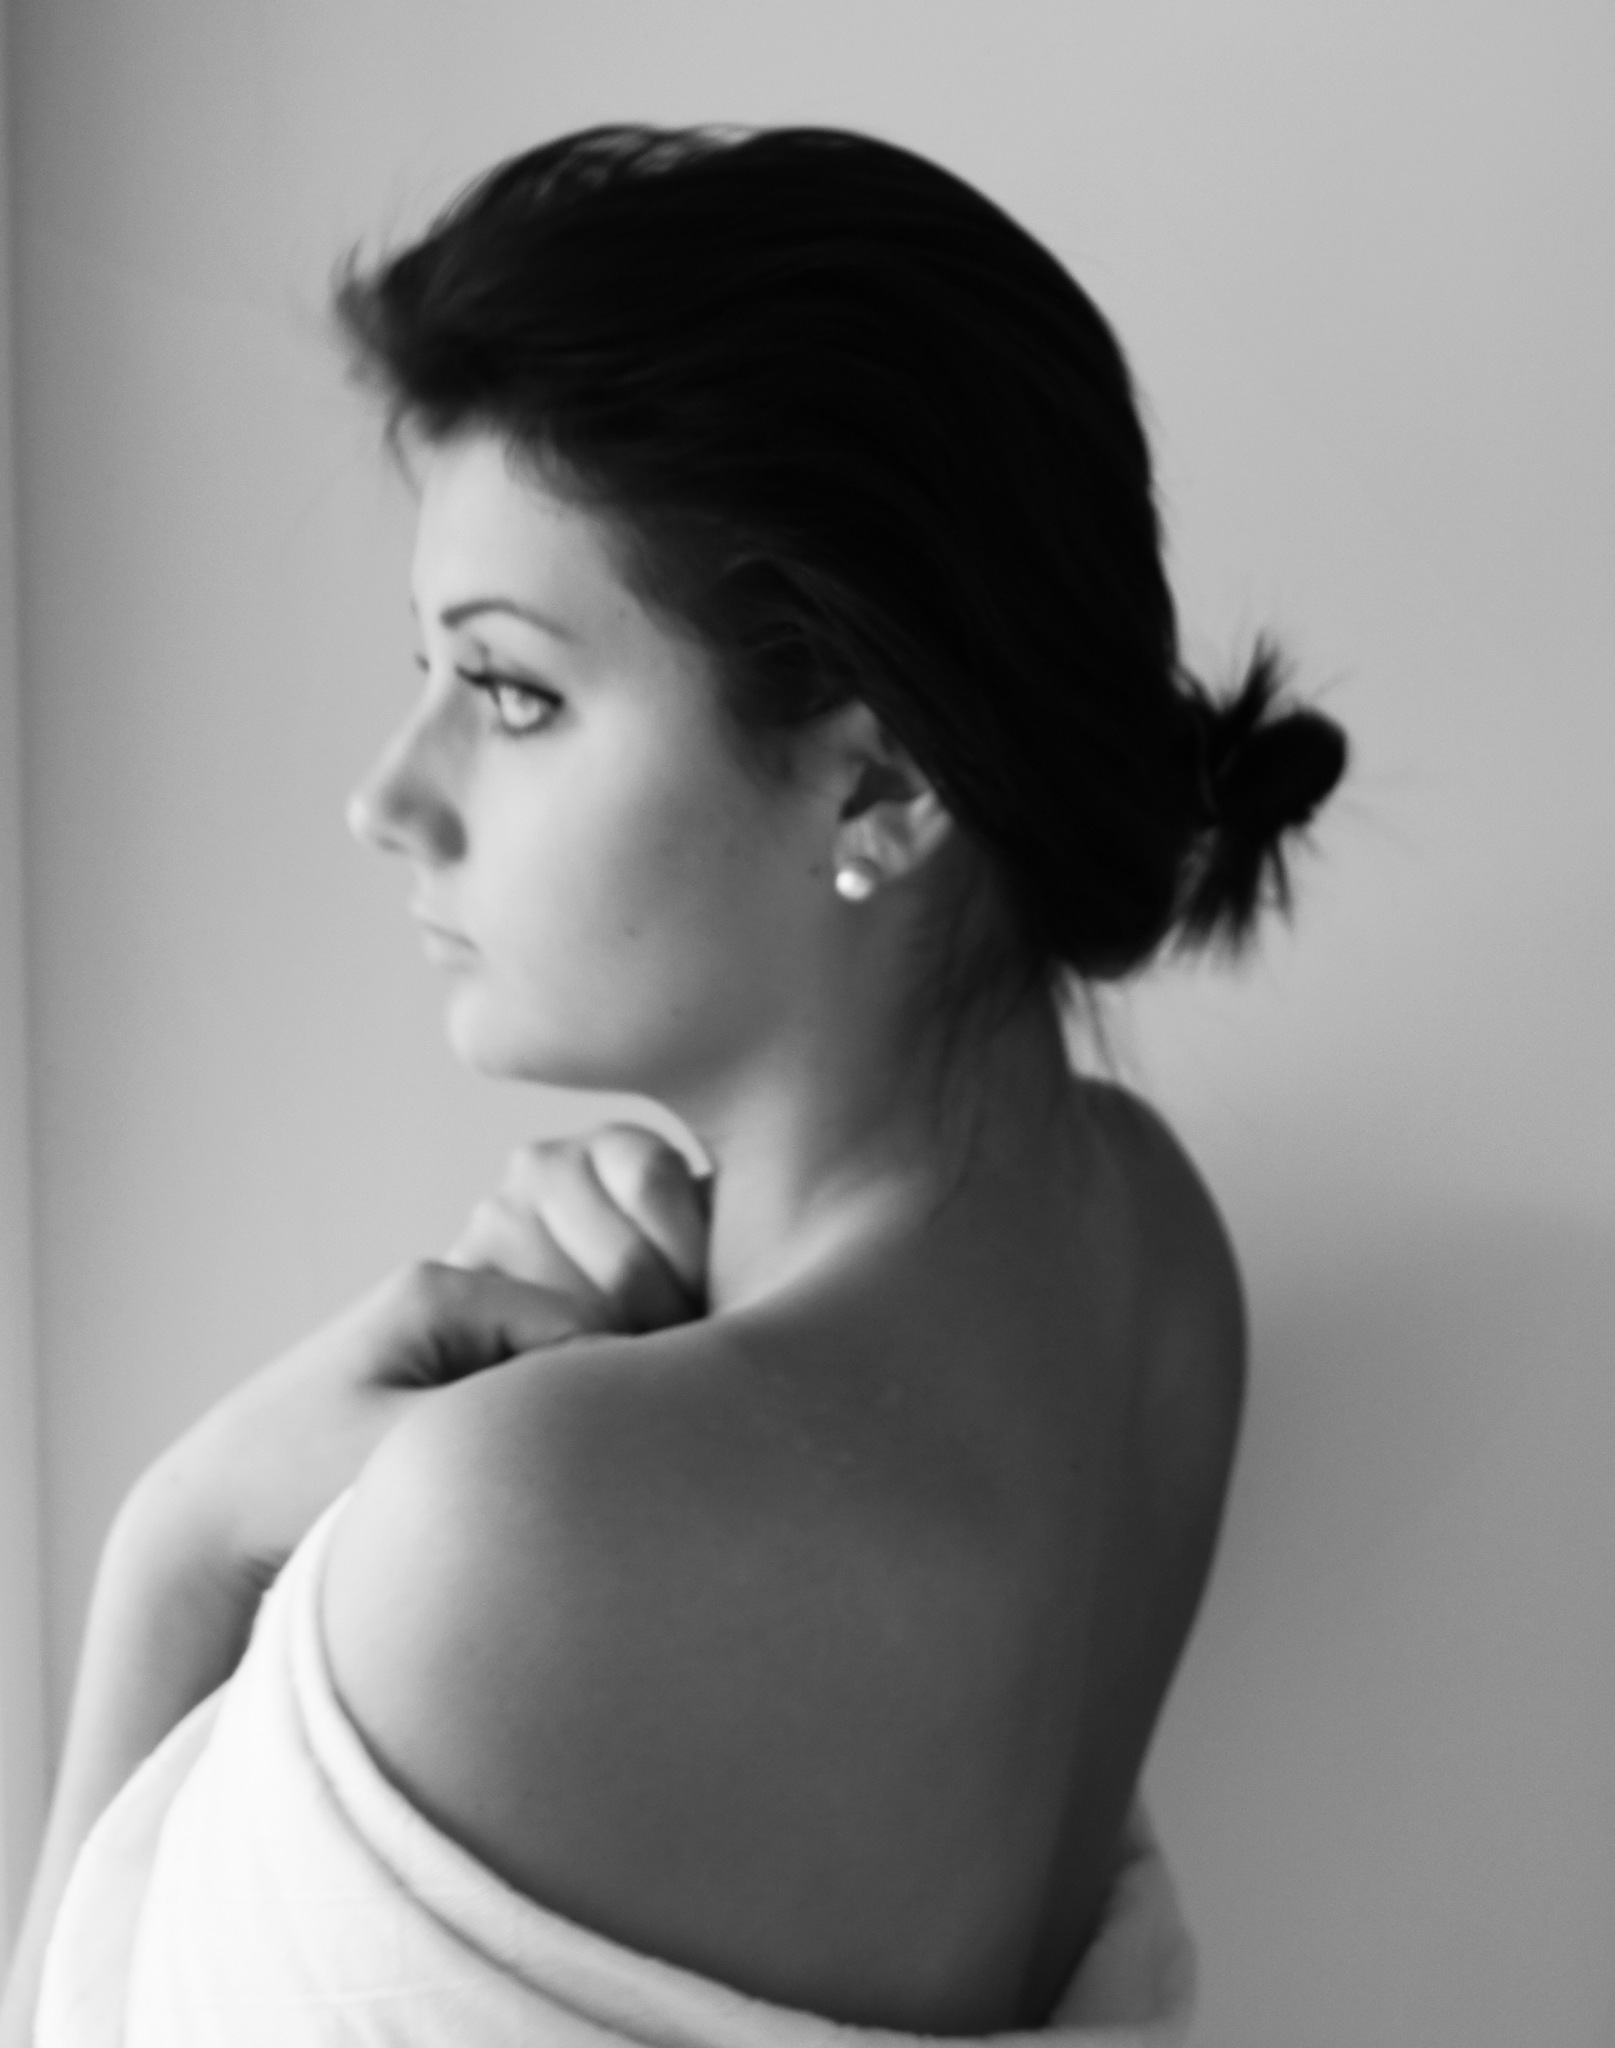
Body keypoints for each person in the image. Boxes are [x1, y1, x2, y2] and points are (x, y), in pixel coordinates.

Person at [4, 124, 1346, 2045]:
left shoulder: (517, 1523)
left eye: (511, 691)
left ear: (880, 783)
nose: (388, 797)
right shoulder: (1149, 1255)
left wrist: (185, 1535)